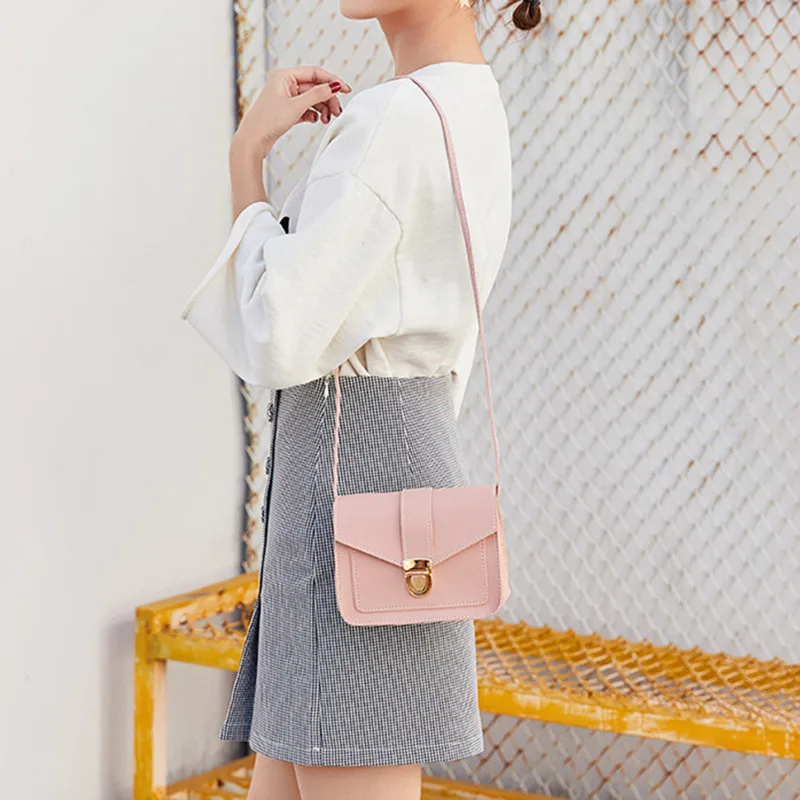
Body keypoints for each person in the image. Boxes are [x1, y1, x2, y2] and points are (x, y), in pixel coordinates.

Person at [180, 0, 539, 797]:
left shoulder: (393, 121)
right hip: (402, 475)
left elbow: (277, 333)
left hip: (349, 484)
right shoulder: (470, 103)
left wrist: (248, 156)